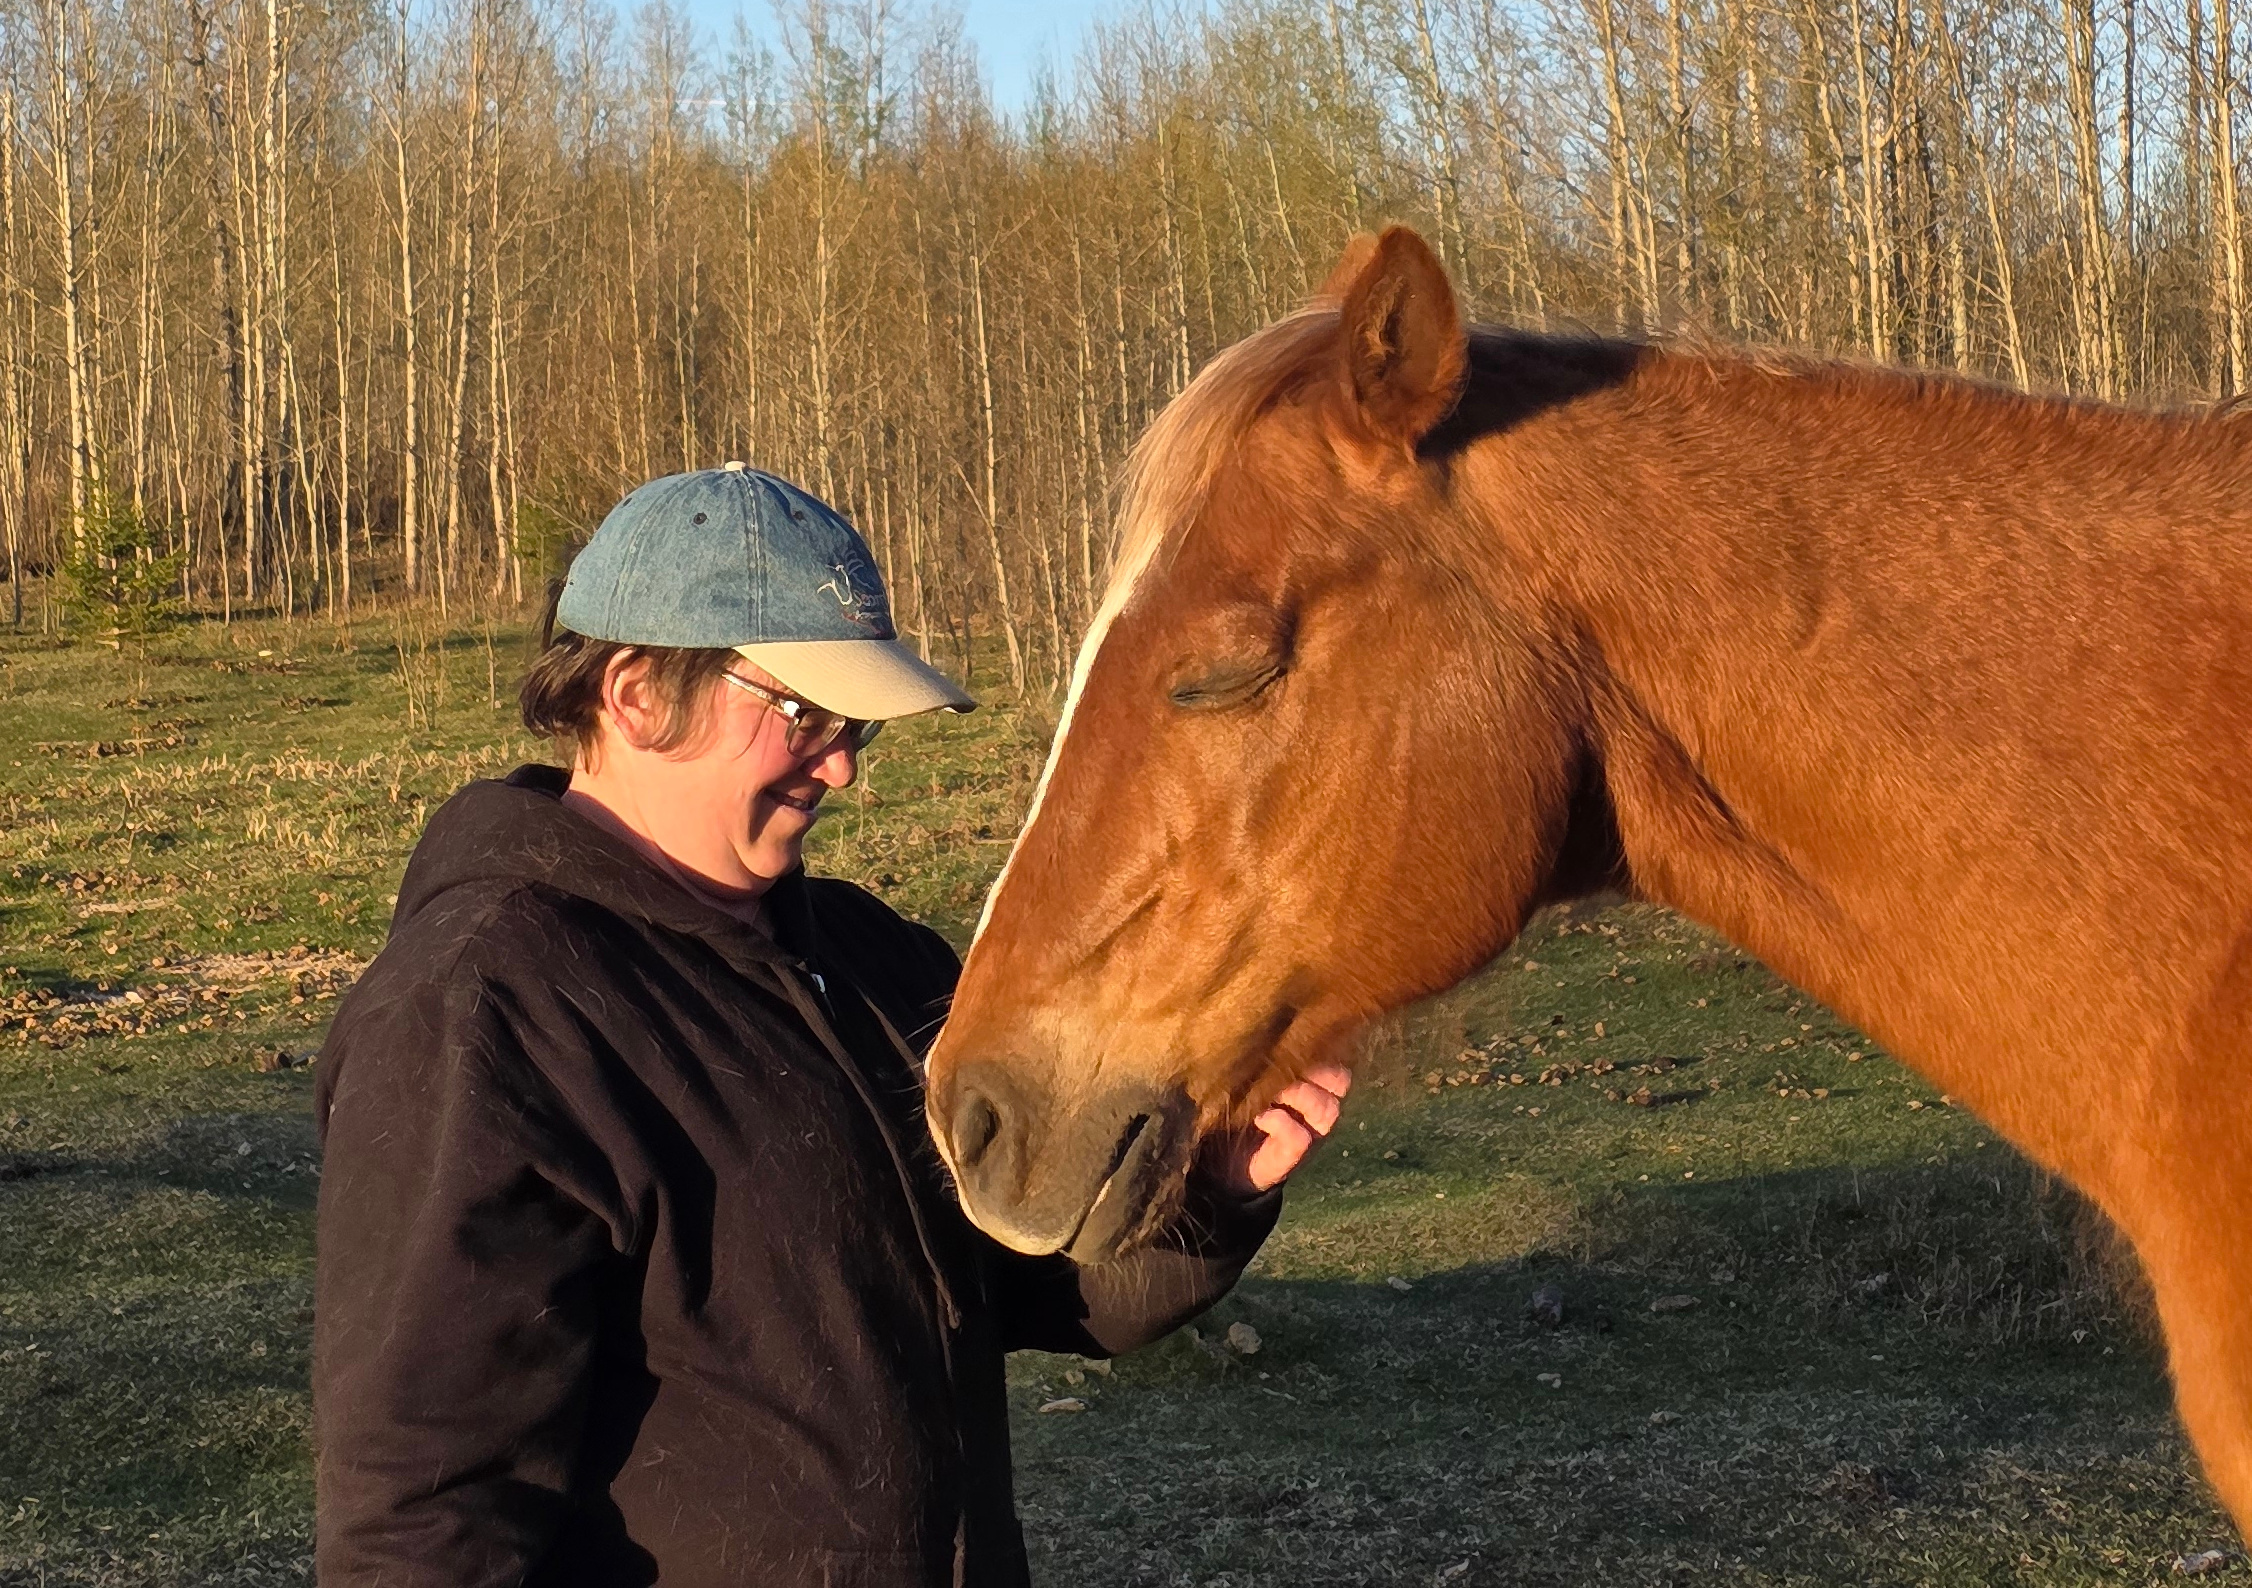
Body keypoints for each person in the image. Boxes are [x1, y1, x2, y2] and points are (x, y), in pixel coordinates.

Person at [312, 462, 1350, 1588]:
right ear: (632, 692)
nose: (845, 767)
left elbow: (1040, 1284)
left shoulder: (871, 959)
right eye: (803, 712)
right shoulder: (483, 1007)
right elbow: (422, 1506)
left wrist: (1210, 1183)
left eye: (856, 723)